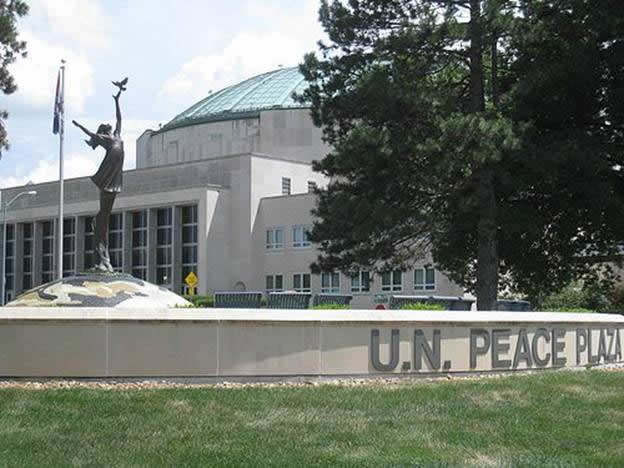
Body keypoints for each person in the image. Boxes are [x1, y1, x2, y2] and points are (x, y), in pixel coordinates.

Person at [72, 83, 126, 272]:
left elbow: (119, 118)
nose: (111, 126)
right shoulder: (106, 139)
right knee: (103, 218)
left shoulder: (118, 136)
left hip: (115, 181)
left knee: (104, 217)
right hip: (107, 182)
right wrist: (80, 126)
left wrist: (117, 101)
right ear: (105, 132)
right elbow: (91, 134)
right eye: (108, 127)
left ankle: (103, 256)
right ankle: (101, 257)